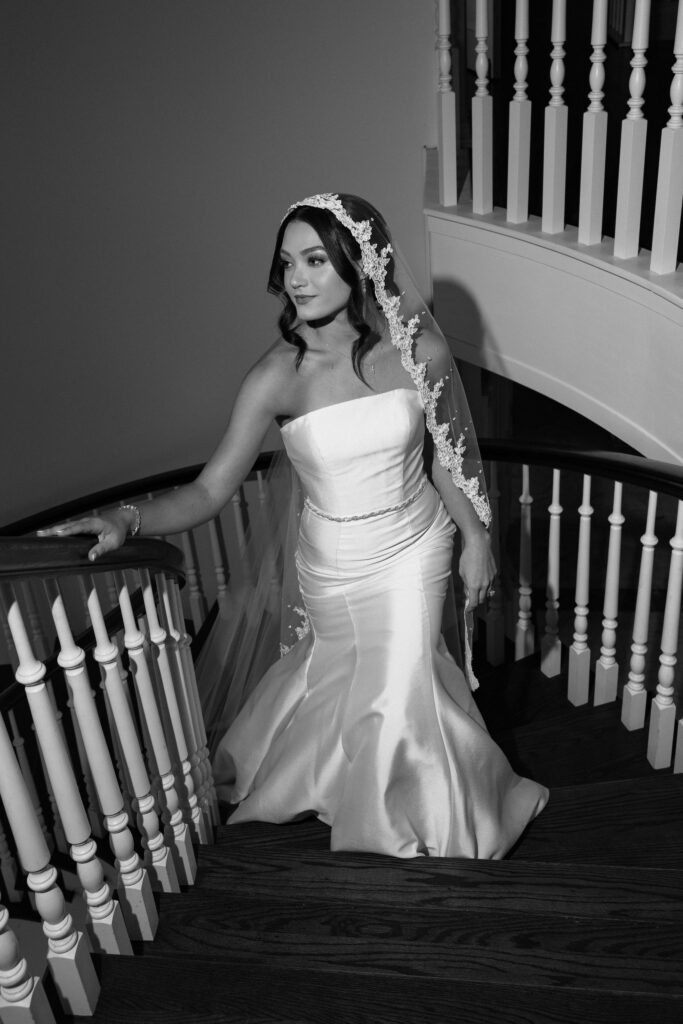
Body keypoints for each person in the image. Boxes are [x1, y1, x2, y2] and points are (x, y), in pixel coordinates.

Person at [44, 193, 548, 858]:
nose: (297, 278)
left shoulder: (418, 350)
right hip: (331, 563)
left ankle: (415, 819)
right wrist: (127, 514)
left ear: (358, 263)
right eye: (287, 263)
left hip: (414, 547)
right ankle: (334, 775)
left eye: (314, 259)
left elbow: (447, 461)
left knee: (402, 680)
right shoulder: (272, 378)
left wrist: (476, 537)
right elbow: (207, 491)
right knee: (343, 674)